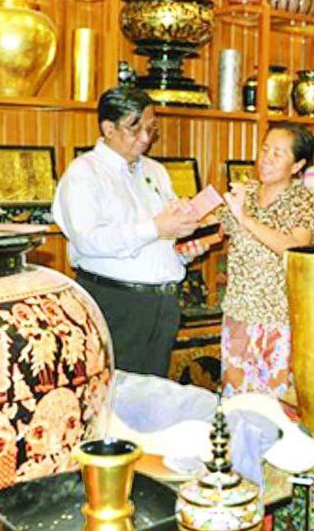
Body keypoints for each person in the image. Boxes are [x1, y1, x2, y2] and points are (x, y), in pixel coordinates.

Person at [52, 86, 207, 377]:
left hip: (163, 304)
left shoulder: (155, 171)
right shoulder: (84, 172)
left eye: (151, 129)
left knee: (153, 390)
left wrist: (182, 251)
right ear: (108, 128)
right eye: (135, 129)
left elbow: (161, 236)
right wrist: (156, 227)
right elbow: (88, 240)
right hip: (117, 302)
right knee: (116, 392)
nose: (145, 138)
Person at [219, 123, 314, 398]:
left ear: (297, 165)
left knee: (276, 406)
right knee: (235, 403)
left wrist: (246, 219)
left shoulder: (304, 201)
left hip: (280, 321)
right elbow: (213, 232)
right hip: (238, 315)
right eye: (265, 150)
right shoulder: (245, 192)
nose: (266, 159)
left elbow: (295, 249)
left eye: (278, 153)